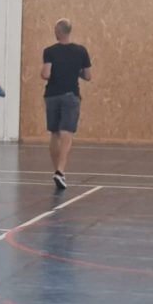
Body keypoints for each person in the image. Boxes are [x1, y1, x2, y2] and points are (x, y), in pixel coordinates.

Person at [42, 18, 92, 190]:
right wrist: (74, 71)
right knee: (67, 133)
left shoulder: (49, 51)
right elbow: (87, 76)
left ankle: (57, 170)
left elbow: (46, 74)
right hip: (71, 95)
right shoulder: (81, 51)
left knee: (54, 133)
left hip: (52, 95)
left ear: (58, 31)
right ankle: (61, 171)